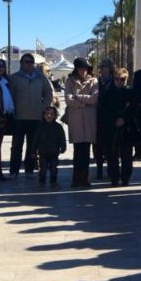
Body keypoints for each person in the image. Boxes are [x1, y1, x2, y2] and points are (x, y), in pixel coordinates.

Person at [8, 53, 54, 177]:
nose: (29, 64)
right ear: (21, 63)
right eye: (26, 62)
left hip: (36, 116)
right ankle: (14, 170)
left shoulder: (41, 78)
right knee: (16, 146)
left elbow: (48, 93)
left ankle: (29, 169)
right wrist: (12, 110)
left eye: (31, 62)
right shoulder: (14, 78)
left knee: (32, 146)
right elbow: (10, 96)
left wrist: (43, 108)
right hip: (19, 116)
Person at [98, 68, 138, 186]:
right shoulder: (107, 93)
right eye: (117, 79)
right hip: (111, 128)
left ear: (127, 79)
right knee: (112, 155)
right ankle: (114, 178)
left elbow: (135, 110)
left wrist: (124, 119)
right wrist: (114, 120)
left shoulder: (132, 92)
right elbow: (103, 110)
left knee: (127, 156)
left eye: (123, 79)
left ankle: (125, 178)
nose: (120, 81)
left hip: (127, 128)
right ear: (113, 79)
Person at [64, 58, 98, 187]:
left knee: (86, 149)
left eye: (85, 68)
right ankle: (76, 178)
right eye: (80, 68)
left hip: (89, 119)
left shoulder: (94, 81)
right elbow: (68, 100)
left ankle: (85, 177)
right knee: (77, 150)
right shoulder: (70, 81)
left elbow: (94, 98)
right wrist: (84, 103)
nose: (83, 71)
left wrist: (78, 96)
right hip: (76, 119)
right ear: (76, 69)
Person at [31, 106, 67, 186]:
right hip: (43, 152)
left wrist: (63, 147)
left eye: (51, 114)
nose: (49, 116)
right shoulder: (40, 127)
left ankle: (53, 181)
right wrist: (33, 150)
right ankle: (42, 181)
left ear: (55, 116)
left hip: (54, 153)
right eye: (47, 114)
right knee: (42, 169)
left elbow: (62, 138)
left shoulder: (58, 127)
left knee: (54, 168)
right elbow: (35, 139)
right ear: (43, 115)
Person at [93, 58, 114, 179]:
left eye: (104, 66)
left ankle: (111, 169)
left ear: (110, 68)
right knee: (98, 145)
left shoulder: (115, 80)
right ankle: (99, 168)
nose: (102, 68)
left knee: (111, 146)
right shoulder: (96, 81)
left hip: (111, 118)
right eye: (100, 66)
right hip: (97, 117)